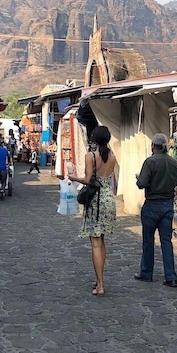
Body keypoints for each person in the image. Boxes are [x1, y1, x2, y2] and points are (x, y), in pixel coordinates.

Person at [67, 126, 117, 297]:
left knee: (95, 244)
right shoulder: (112, 157)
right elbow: (113, 183)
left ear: (94, 139)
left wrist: (73, 178)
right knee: (102, 242)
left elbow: (88, 180)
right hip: (108, 200)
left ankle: (101, 284)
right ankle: (99, 280)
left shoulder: (91, 156)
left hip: (96, 202)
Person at [135, 133, 177, 287]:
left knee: (148, 241)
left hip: (152, 204)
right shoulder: (174, 163)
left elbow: (142, 183)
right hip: (167, 204)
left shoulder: (150, 162)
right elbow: (176, 181)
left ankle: (146, 272)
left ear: (153, 146)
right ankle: (171, 276)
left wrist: (138, 178)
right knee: (166, 241)